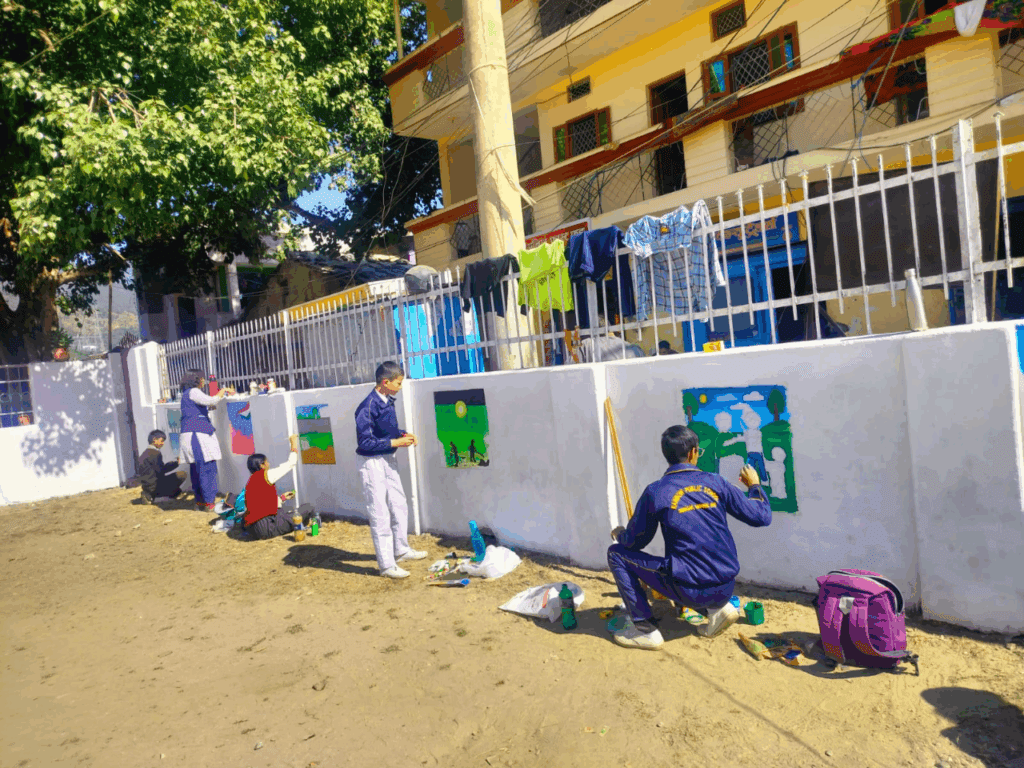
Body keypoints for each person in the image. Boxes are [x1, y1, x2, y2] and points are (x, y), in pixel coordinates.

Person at [607, 424, 772, 649]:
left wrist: (621, 535)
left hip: (689, 590)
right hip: (725, 588)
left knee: (616, 554)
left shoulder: (656, 491)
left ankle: (645, 629)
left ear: (667, 456)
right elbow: (761, 516)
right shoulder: (717, 483)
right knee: (689, 565)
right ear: (694, 452)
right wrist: (754, 485)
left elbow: (636, 542)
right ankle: (717, 610)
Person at [354, 361, 427, 579]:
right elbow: (365, 442)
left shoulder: (387, 400)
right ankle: (386, 565)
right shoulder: (366, 407)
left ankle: (401, 549)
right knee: (380, 512)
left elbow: (387, 431)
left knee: (399, 503)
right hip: (371, 463)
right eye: (398, 382)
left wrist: (403, 434)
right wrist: (396, 443)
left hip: (387, 458)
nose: (400, 386)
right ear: (385, 382)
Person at [178, 369, 235, 511]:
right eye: (202, 378)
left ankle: (201, 501)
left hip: (192, 434)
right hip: (198, 435)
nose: (204, 381)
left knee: (197, 470)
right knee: (207, 468)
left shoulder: (186, 394)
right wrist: (223, 391)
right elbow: (212, 400)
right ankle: (209, 502)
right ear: (197, 379)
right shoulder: (194, 392)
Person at [242, 434, 309, 540]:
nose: (269, 464)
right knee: (307, 509)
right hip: (267, 528)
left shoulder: (251, 481)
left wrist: (282, 498)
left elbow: (261, 504)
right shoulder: (265, 475)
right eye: (266, 462)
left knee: (288, 510)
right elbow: (291, 463)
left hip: (254, 529)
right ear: (262, 465)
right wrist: (293, 444)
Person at [138, 430, 186, 503]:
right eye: (162, 441)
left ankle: (148, 495)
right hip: (154, 486)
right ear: (154, 440)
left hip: (146, 486)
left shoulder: (145, 453)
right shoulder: (155, 453)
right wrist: (176, 463)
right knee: (181, 475)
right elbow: (162, 470)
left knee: (168, 480)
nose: (163, 443)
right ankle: (173, 493)